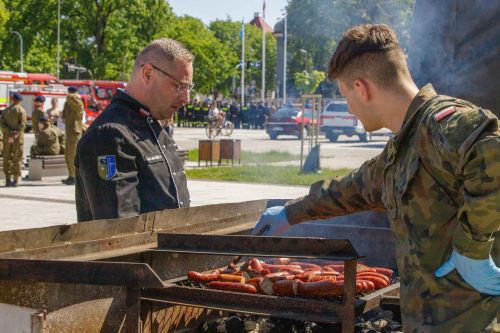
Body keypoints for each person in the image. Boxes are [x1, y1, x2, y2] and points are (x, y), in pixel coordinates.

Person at [253, 24, 499, 332]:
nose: (350, 108)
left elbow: (492, 155)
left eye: (345, 95)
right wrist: (290, 212)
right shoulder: (402, 148)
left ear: (361, 88)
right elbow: (353, 187)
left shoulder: (445, 124)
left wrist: (471, 251)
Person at [75, 38, 193, 222]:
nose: (186, 98)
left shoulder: (149, 124)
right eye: (180, 86)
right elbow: (120, 231)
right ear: (147, 74)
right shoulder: (110, 135)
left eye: (189, 88)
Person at [0, 92, 26, 187]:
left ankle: (7, 179)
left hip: (7, 138)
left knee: (6, 158)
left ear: (12, 99)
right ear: (18, 100)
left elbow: (2, 125)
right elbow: (23, 125)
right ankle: (15, 180)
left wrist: (9, 132)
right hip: (17, 139)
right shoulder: (21, 110)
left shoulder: (5, 111)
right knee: (17, 159)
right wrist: (15, 133)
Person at [61, 86, 84, 185]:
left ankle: (75, 177)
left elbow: (73, 100)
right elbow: (64, 115)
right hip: (69, 131)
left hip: (75, 132)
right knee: (67, 155)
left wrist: (73, 95)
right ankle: (71, 175)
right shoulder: (69, 104)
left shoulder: (78, 103)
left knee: (73, 155)